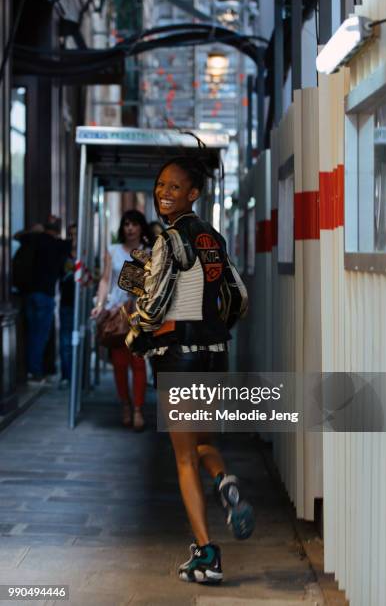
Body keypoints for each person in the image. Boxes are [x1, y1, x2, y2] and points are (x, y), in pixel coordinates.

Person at [128, 155, 254, 583]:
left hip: (179, 355)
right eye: (161, 184)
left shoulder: (170, 239)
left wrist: (136, 334)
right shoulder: (214, 238)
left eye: (175, 187)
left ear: (193, 193)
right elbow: (237, 297)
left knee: (182, 459)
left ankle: (207, 554)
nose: (164, 192)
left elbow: (155, 304)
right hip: (215, 354)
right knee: (201, 441)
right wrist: (215, 328)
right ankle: (225, 482)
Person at [91, 210, 153, 430]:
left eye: (134, 224)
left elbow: (149, 286)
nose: (130, 228)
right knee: (118, 363)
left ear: (141, 228)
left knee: (137, 362)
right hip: (115, 314)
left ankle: (137, 409)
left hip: (137, 314)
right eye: (126, 224)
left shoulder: (146, 252)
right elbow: (105, 280)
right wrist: (99, 305)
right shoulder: (113, 250)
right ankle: (125, 404)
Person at [14, 217, 70, 383]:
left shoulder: (33, 239)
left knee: (32, 333)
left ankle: (33, 369)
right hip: (45, 295)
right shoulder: (58, 244)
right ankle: (35, 371)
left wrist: (34, 231)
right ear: (58, 230)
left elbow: (16, 236)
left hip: (28, 293)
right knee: (40, 335)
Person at [59, 223, 77, 388]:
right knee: (65, 341)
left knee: (78, 340)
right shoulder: (63, 253)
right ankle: (66, 376)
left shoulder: (87, 253)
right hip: (66, 301)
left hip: (81, 303)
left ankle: (78, 376)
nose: (73, 238)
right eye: (70, 234)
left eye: (76, 234)